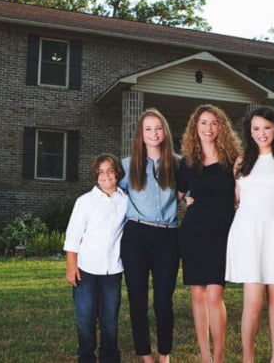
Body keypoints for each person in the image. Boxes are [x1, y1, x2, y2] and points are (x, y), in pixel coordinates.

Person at [225, 107, 274, 363]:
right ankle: (248, 358)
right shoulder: (242, 160)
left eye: (266, 127)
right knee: (253, 302)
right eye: (256, 128)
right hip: (248, 232)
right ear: (249, 131)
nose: (261, 133)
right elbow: (235, 199)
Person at [178, 103, 241, 363]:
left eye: (214, 123)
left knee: (215, 294)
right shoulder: (187, 163)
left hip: (222, 234)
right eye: (203, 123)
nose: (208, 128)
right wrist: (185, 201)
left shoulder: (233, 160)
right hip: (193, 233)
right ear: (195, 127)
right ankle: (204, 356)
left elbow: (242, 193)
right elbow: (179, 192)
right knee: (197, 294)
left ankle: (218, 355)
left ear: (221, 127)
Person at [118, 108, 181, 363]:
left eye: (158, 128)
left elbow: (194, 190)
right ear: (140, 135)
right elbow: (109, 196)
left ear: (164, 132)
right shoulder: (126, 165)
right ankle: (145, 355)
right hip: (136, 236)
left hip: (168, 238)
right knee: (138, 300)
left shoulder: (178, 164)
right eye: (148, 129)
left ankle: (164, 354)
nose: (154, 133)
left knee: (164, 302)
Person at [63, 153, 128, 363]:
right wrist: (71, 267)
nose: (105, 176)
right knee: (85, 318)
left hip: (113, 271)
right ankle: (86, 357)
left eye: (110, 171)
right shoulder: (85, 202)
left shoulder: (126, 201)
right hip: (86, 270)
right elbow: (73, 236)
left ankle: (109, 357)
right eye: (100, 172)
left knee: (109, 320)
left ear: (117, 173)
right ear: (95, 176)